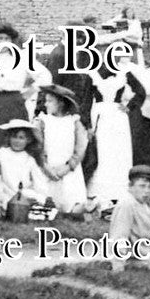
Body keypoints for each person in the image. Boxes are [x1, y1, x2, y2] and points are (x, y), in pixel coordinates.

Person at [88, 55, 137, 211]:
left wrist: (128, 107)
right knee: (103, 150)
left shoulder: (123, 74)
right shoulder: (93, 75)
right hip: (101, 116)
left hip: (117, 116)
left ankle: (119, 190)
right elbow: (87, 98)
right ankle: (99, 191)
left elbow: (140, 91)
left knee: (118, 152)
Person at [34, 85, 90, 215]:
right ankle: (48, 205)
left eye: (50, 101)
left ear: (60, 103)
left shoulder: (73, 121)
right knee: (44, 199)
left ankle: (74, 207)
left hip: (68, 168)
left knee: (73, 204)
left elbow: (80, 147)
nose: (46, 104)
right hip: (48, 167)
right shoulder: (42, 121)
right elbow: (37, 146)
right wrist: (45, 167)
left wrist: (69, 166)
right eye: (45, 101)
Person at [0, 119, 49, 213]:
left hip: (23, 193)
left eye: (21, 138)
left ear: (28, 140)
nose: (17, 141)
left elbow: (39, 181)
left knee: (33, 198)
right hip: (4, 192)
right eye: (14, 137)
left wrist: (41, 197)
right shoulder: (2, 153)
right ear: (9, 138)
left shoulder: (29, 159)